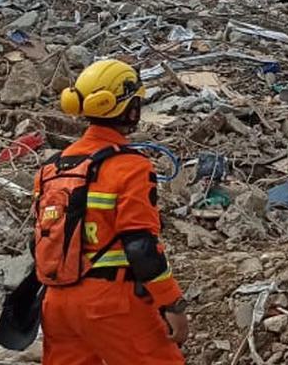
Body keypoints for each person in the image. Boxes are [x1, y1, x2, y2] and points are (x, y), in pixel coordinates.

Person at [34, 59, 187, 364]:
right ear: (129, 108)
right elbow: (141, 247)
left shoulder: (51, 169)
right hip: (111, 303)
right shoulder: (130, 167)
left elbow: (40, 239)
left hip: (57, 304)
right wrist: (172, 303)